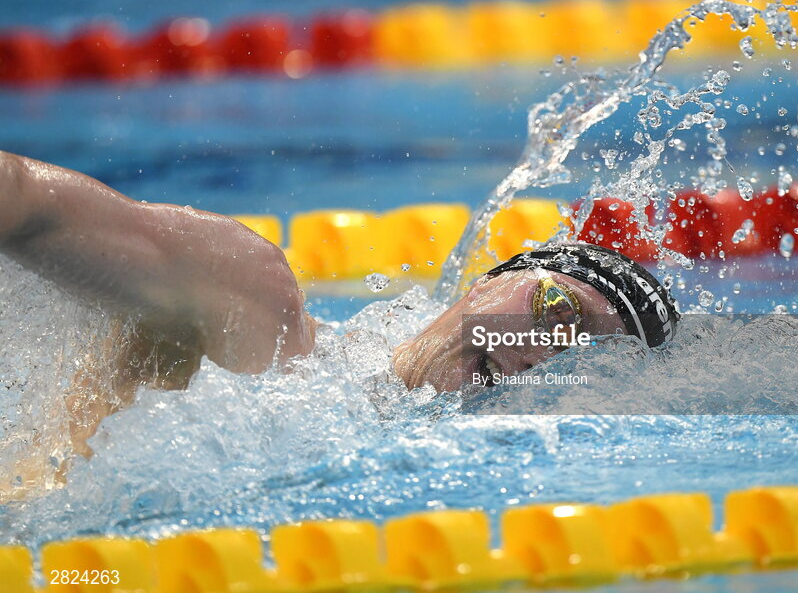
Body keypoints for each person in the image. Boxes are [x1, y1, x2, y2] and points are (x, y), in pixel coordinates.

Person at [0, 149, 678, 448]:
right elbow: (24, 201)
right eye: (559, 310)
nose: (545, 353)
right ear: (490, 283)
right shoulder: (247, 301)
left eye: (582, 357)